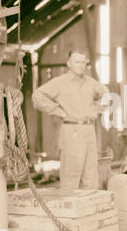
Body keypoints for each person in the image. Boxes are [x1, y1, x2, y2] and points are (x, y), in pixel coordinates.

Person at [32, 50, 109, 189]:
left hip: (89, 129)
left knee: (91, 173)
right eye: (76, 62)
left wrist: (96, 109)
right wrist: (59, 111)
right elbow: (37, 95)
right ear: (69, 64)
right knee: (71, 172)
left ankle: (89, 207)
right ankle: (69, 207)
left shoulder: (91, 83)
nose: (80, 65)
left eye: (83, 62)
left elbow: (107, 96)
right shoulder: (60, 83)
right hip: (72, 129)